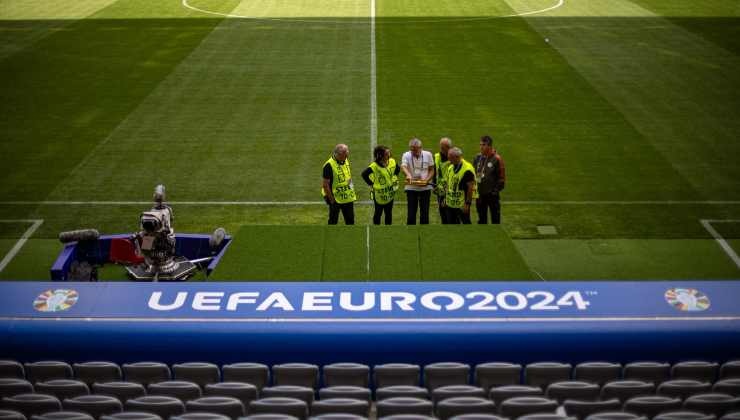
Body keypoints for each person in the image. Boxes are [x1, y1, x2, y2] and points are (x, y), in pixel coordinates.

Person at [362, 145, 400, 225]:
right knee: (378, 213)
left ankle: (388, 229)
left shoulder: (392, 161)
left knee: (388, 212)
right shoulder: (374, 166)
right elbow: (364, 174)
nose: (389, 155)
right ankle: (376, 228)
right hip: (379, 195)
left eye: (389, 152)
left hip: (390, 193)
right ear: (381, 155)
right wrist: (371, 184)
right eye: (387, 153)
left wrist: (394, 177)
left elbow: (397, 168)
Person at [400, 138, 435, 225]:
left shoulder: (428, 155)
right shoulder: (406, 155)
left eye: (415, 150)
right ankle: (410, 233)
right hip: (411, 187)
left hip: (425, 187)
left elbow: (432, 170)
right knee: (411, 214)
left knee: (425, 213)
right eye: (412, 150)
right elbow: (403, 166)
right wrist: (408, 175)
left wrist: (426, 180)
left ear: (420, 148)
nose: (414, 152)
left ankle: (424, 233)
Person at [473, 135, 506, 224]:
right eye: (480, 144)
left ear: (490, 146)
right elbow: (475, 174)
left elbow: (502, 179)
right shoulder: (477, 157)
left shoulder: (497, 159)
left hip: (492, 196)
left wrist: (494, 192)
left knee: (495, 220)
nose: (481, 147)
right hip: (480, 195)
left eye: (483, 145)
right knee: (481, 220)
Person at [322, 144, 356, 225]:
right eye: (344, 155)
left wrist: (351, 188)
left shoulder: (345, 159)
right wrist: (332, 200)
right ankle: (331, 236)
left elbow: (348, 175)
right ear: (337, 154)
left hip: (347, 196)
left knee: (350, 220)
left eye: (347, 154)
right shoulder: (328, 165)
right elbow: (325, 185)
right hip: (335, 198)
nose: (346, 157)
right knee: (333, 221)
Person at [443, 147, 476, 224]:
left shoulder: (467, 170)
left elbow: (470, 188)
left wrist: (467, 204)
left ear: (457, 157)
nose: (449, 160)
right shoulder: (451, 167)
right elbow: (448, 184)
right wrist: (445, 198)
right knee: (451, 225)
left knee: (465, 224)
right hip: (450, 203)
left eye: (451, 158)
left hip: (461, 204)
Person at [433, 137, 453, 224]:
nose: (441, 150)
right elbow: (434, 172)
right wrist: (434, 186)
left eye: (443, 148)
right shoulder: (436, 157)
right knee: (443, 213)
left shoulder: (454, 157)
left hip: (451, 190)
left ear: (449, 148)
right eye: (440, 147)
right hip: (440, 190)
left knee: (451, 213)